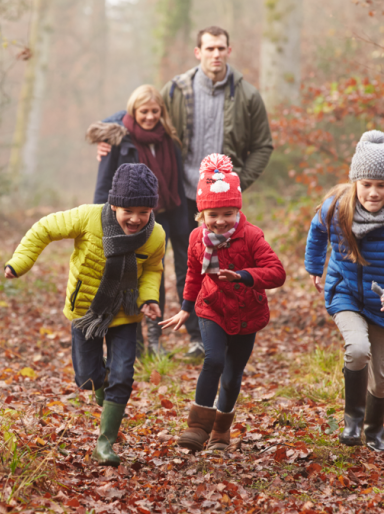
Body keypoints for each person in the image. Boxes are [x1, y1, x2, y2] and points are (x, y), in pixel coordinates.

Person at [97, 26, 274, 359]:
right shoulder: (176, 90)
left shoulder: (247, 95)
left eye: (221, 48)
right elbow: (139, 110)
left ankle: (203, 337)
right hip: (177, 194)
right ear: (199, 52)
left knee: (208, 267)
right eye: (209, 48)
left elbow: (264, 145)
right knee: (162, 263)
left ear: (229, 51)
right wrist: (107, 134)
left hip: (219, 201)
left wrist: (236, 184)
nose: (216, 54)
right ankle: (154, 336)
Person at [4, 163, 166, 466]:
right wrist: (20, 262)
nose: (135, 219)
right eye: (128, 210)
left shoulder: (155, 236)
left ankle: (104, 445)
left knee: (123, 376)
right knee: (88, 378)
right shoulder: (87, 217)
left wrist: (148, 299)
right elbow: (44, 229)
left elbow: (152, 270)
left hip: (126, 314)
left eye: (144, 212)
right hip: (86, 312)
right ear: (114, 204)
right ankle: (104, 391)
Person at [304, 130, 384, 452]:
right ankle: (353, 422)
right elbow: (317, 230)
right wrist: (315, 266)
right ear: (355, 181)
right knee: (357, 349)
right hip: (344, 292)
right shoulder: (336, 209)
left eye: (381, 185)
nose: (373, 192)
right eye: (366, 184)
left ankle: (374, 429)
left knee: (382, 378)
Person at [161, 154, 286, 451]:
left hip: (247, 313)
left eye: (228, 213)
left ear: (238, 211)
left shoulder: (252, 237)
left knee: (231, 376)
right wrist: (185, 308)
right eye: (213, 215)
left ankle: (220, 431)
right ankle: (198, 426)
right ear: (201, 215)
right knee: (213, 359)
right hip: (211, 307)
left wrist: (244, 276)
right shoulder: (196, 239)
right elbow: (193, 273)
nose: (220, 221)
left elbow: (277, 273)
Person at [86, 85, 192, 356]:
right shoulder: (118, 139)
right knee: (130, 277)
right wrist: (102, 222)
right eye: (144, 111)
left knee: (156, 275)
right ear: (134, 111)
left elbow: (176, 183)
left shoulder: (168, 139)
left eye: (155, 111)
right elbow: (103, 185)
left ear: (161, 112)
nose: (149, 117)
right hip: (127, 221)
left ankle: (155, 338)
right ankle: (135, 343)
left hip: (164, 217)